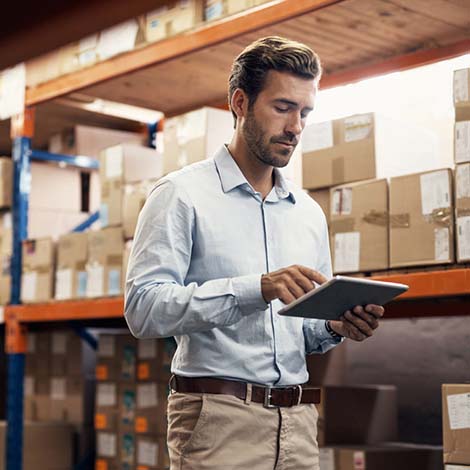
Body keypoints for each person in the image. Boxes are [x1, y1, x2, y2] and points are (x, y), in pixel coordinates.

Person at [125, 36, 384, 470]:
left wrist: (336, 325)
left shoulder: (308, 213)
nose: (296, 127)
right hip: (217, 422)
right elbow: (143, 309)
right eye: (283, 108)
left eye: (305, 112)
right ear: (241, 103)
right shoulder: (181, 195)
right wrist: (256, 289)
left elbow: (304, 330)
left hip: (299, 423)